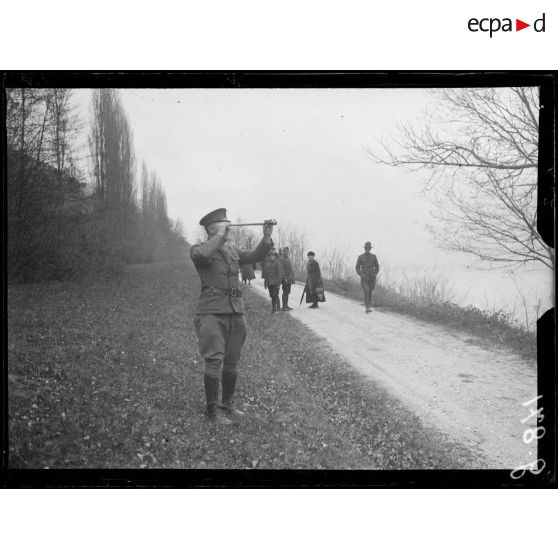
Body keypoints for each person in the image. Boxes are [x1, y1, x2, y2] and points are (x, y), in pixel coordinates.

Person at [190, 208, 274, 425]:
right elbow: (202, 256)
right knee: (214, 360)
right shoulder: (199, 249)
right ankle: (211, 412)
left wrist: (266, 237)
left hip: (236, 312)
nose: (229, 224)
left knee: (232, 360)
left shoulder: (232, 250)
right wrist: (219, 237)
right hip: (211, 313)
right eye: (224, 223)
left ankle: (227, 404)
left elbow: (255, 256)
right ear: (211, 228)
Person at [355, 241, 380, 313]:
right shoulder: (360, 257)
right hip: (364, 278)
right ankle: (367, 307)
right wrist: (361, 274)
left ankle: (368, 305)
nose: (367, 249)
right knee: (366, 291)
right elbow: (357, 267)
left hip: (372, 278)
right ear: (364, 248)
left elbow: (377, 266)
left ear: (370, 249)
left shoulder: (374, 257)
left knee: (370, 292)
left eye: (369, 248)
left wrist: (375, 273)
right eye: (366, 248)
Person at [263, 248, 283, 314]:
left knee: (275, 296)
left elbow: (279, 275)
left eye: (272, 255)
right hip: (270, 283)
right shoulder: (268, 264)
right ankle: (276, 309)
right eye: (270, 255)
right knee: (272, 296)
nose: (271, 257)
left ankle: (275, 310)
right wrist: (265, 283)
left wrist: (278, 284)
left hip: (275, 283)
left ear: (275, 256)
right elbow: (266, 274)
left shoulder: (277, 264)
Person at [279, 246, 295, 310]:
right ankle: (284, 306)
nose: (287, 252)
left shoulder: (288, 258)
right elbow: (281, 270)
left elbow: (290, 269)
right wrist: (284, 278)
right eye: (286, 251)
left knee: (287, 292)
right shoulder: (281, 259)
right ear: (283, 251)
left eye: (288, 251)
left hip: (289, 278)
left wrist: (292, 277)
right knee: (285, 292)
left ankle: (286, 305)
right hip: (285, 278)